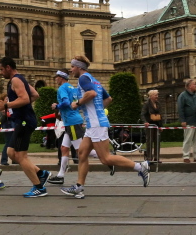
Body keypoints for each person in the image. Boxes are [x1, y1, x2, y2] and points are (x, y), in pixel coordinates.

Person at [61, 55, 150, 199]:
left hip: (96, 124)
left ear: (79, 67)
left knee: (106, 158)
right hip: (93, 124)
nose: (71, 70)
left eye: (72, 67)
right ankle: (79, 187)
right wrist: (97, 110)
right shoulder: (94, 80)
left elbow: (91, 93)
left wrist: (77, 103)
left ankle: (141, 167)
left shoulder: (83, 79)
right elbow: (108, 99)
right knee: (82, 154)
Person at [0, 57, 51, 198]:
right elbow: (35, 95)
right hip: (22, 120)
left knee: (20, 156)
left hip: (25, 121)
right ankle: (41, 174)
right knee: (11, 153)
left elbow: (24, 99)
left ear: (8, 67)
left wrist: (7, 105)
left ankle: (39, 187)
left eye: (1, 69)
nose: (0, 73)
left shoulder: (16, 80)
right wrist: (17, 105)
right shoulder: (20, 79)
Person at [48, 70, 86, 185]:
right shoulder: (72, 87)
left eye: (57, 77)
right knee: (64, 148)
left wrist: (56, 106)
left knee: (80, 150)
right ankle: (60, 176)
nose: (55, 79)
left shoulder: (62, 88)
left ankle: (107, 159)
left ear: (61, 77)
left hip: (72, 122)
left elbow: (65, 102)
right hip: (71, 122)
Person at [178, 79, 196, 163]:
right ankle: (186, 156)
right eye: (194, 84)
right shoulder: (182, 96)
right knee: (188, 139)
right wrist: (183, 120)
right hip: (188, 121)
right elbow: (180, 109)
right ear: (190, 86)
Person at [141, 90, 162, 163]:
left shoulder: (158, 103)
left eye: (157, 95)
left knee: (157, 141)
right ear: (151, 96)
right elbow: (143, 114)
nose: (157, 96)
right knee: (149, 141)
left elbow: (161, 115)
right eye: (155, 95)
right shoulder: (146, 104)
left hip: (157, 124)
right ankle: (149, 157)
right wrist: (145, 122)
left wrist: (161, 126)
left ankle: (157, 157)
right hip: (149, 125)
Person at [0, 93, 14, 165]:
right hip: (7, 125)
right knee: (8, 143)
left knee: (14, 143)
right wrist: (4, 113)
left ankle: (14, 160)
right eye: (6, 99)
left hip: (13, 125)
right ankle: (4, 160)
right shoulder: (1, 108)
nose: (8, 100)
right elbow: (1, 119)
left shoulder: (11, 107)